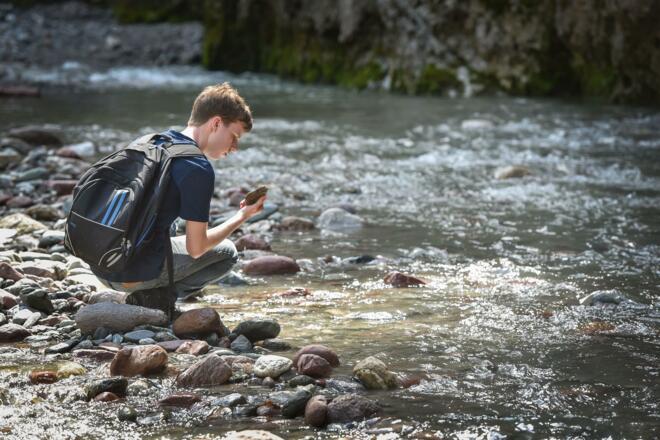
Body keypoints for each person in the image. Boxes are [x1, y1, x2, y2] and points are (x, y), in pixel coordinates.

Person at [94, 82, 265, 304]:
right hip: (128, 276)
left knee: (169, 223)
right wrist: (242, 216)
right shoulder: (197, 168)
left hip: (100, 261)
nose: (234, 147)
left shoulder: (148, 142)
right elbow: (197, 249)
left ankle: (147, 290)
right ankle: (155, 298)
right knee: (228, 252)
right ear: (215, 123)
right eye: (234, 136)